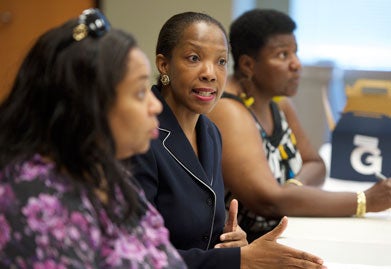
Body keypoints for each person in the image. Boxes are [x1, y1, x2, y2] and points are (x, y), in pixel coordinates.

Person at [128, 11, 326, 269]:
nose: (210, 73)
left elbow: (204, 230)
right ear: (164, 64)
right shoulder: (140, 137)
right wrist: (238, 259)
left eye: (221, 61)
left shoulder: (210, 132)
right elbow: (139, 257)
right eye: (194, 58)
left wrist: (233, 240)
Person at [0, 8, 187, 268]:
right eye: (139, 92)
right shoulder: (34, 200)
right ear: (90, 104)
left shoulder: (106, 173)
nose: (156, 106)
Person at [207, 8, 391, 241]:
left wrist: (293, 186)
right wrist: (365, 200)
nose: (297, 64)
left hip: (295, 230)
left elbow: (315, 163)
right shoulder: (228, 110)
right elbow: (269, 201)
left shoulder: (278, 102)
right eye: (283, 55)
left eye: (295, 52)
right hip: (250, 247)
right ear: (247, 65)